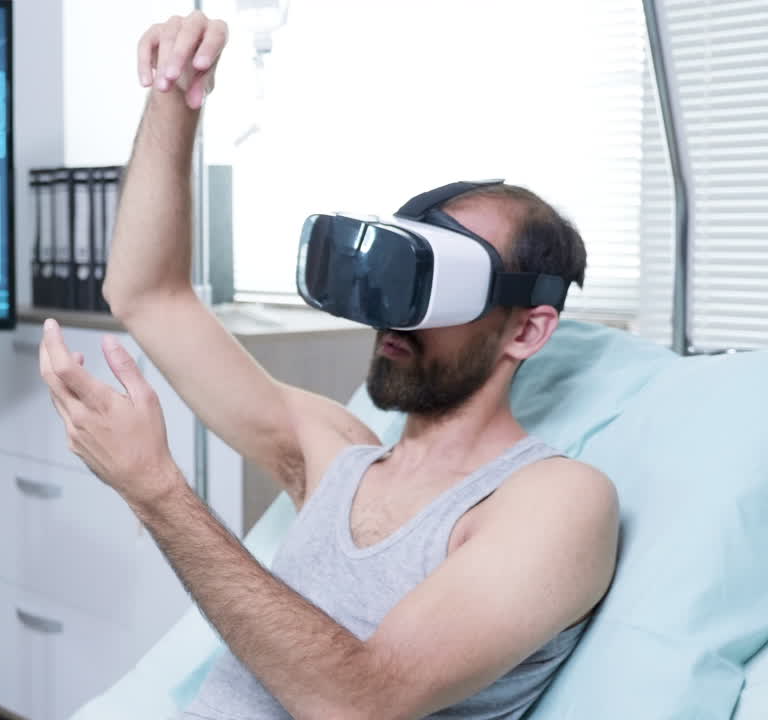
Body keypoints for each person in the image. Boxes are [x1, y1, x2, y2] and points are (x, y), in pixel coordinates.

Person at [38, 10, 620, 720]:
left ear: (526, 331)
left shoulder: (556, 502)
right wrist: (174, 94)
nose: (393, 320)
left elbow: (363, 702)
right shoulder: (334, 454)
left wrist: (157, 490)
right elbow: (146, 295)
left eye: (433, 291)